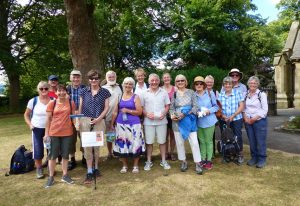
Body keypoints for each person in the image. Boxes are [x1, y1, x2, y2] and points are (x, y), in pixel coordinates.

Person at [79, 70, 111, 184]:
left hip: (99, 121)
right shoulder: (83, 91)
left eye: (96, 78)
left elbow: (106, 107)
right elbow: (80, 107)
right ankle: (89, 170)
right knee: (87, 146)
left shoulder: (105, 92)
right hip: (85, 121)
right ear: (89, 80)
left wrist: (99, 118)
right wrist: (79, 120)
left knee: (97, 145)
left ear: (99, 79)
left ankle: (96, 167)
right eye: (92, 78)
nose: (94, 80)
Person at [169, 74, 203, 174]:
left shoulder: (191, 92)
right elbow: (171, 108)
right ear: (175, 83)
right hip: (177, 122)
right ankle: (183, 162)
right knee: (179, 143)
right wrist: (172, 115)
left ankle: (198, 163)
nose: (180, 82)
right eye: (178, 81)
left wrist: (185, 114)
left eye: (182, 80)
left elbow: (196, 107)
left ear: (185, 82)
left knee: (195, 143)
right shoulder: (174, 94)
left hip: (190, 121)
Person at [111, 77, 145, 173]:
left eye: (130, 84)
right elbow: (114, 112)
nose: (128, 85)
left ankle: (135, 166)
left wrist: (128, 110)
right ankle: (125, 165)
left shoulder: (136, 97)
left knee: (136, 143)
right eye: (126, 83)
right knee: (122, 144)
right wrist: (111, 124)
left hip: (134, 125)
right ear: (123, 85)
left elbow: (139, 112)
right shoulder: (119, 96)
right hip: (121, 124)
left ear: (133, 86)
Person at [44, 84, 75, 188]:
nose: (61, 93)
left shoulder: (71, 103)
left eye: (63, 91)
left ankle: (65, 175)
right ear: (56, 92)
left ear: (66, 92)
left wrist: (78, 123)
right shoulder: (51, 103)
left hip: (67, 133)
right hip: (54, 133)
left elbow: (73, 117)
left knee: (65, 155)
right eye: (59, 91)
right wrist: (46, 134)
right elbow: (48, 120)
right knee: (52, 155)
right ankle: (51, 177)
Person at [140, 73, 171, 171]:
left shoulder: (164, 92)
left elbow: (167, 105)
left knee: (162, 142)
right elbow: (141, 107)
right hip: (148, 122)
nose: (154, 82)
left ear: (159, 81)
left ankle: (163, 161)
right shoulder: (144, 93)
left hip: (162, 121)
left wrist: (164, 113)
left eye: (156, 80)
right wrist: (146, 114)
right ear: (149, 81)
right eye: (152, 80)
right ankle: (149, 161)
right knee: (149, 142)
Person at [24, 81, 52, 179]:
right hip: (37, 129)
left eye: (46, 88)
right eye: (41, 89)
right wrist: (30, 124)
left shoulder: (53, 100)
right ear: (38, 90)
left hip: (50, 129)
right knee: (38, 149)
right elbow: (26, 114)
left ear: (49, 89)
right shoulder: (33, 101)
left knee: (51, 149)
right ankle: (39, 169)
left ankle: (50, 168)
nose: (44, 90)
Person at [192, 76, 219, 170]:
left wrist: (208, 111)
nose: (199, 85)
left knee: (209, 141)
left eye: (200, 83)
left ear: (204, 85)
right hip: (199, 122)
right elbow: (192, 108)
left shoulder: (210, 93)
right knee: (202, 141)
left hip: (209, 121)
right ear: (194, 85)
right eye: (196, 84)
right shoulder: (193, 95)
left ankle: (209, 160)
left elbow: (216, 107)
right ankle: (203, 159)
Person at [218, 76, 245, 165]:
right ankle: (227, 154)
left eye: (229, 83)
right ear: (223, 85)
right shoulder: (220, 95)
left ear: (232, 84)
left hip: (236, 119)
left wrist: (233, 115)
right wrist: (223, 115)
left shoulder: (238, 93)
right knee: (225, 137)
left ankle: (239, 154)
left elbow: (241, 106)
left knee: (237, 137)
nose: (228, 85)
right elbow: (218, 108)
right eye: (225, 84)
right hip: (224, 120)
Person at [243, 76, 268, 168]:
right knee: (252, 140)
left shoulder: (261, 94)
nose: (252, 85)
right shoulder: (246, 94)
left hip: (259, 121)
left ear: (258, 84)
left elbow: (265, 110)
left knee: (260, 141)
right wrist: (245, 117)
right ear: (248, 84)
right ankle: (254, 158)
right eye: (251, 83)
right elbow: (244, 108)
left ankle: (262, 159)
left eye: (255, 83)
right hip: (248, 121)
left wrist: (254, 118)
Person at [66, 70, 86, 170]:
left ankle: (84, 157)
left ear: (81, 78)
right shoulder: (66, 89)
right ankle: (72, 159)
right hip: (70, 119)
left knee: (84, 138)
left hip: (83, 117)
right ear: (70, 78)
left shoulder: (86, 89)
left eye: (78, 77)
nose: (76, 79)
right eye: (74, 77)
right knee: (71, 139)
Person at [102, 70, 122, 158]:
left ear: (115, 77)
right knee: (110, 135)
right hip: (107, 115)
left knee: (118, 134)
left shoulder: (120, 87)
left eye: (113, 77)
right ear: (106, 78)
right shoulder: (103, 88)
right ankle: (110, 153)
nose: (111, 78)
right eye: (109, 77)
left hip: (119, 115)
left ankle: (117, 151)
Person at [161, 72, 176, 161]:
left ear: (170, 79)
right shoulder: (160, 89)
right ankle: (165, 153)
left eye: (168, 77)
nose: (166, 79)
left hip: (173, 114)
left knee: (172, 135)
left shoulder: (175, 89)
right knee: (165, 135)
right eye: (165, 78)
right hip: (163, 114)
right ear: (163, 79)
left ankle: (172, 153)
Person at [205, 75, 219, 156]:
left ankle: (212, 153)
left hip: (211, 117)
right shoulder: (201, 91)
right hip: (201, 117)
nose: (209, 84)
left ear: (213, 83)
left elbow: (217, 105)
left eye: (211, 82)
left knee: (211, 136)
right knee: (202, 137)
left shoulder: (215, 92)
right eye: (207, 82)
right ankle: (204, 153)